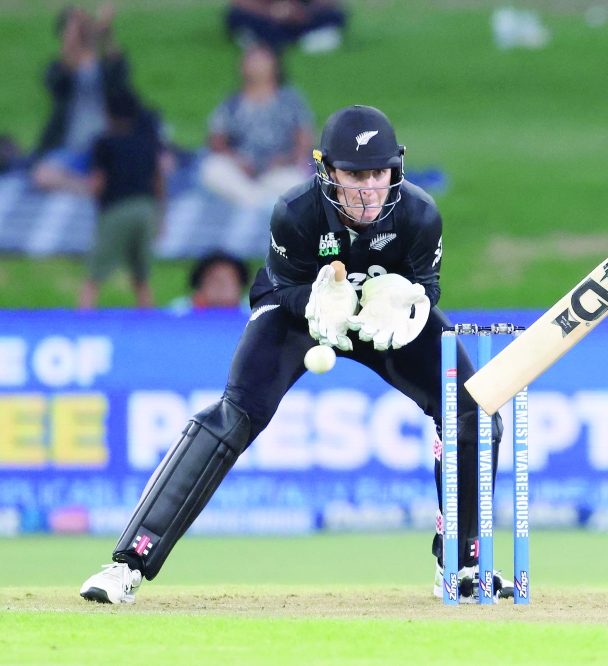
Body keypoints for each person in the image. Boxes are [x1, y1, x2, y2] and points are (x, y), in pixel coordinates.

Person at [79, 105, 511, 604]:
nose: (369, 188)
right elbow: (281, 287)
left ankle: (461, 567)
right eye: (354, 174)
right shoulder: (296, 211)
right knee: (233, 415)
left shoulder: (420, 214)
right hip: (299, 314)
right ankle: (127, 564)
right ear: (327, 169)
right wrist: (314, 301)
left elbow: (427, 287)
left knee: (472, 412)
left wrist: (408, 302)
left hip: (383, 321)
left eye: (379, 172)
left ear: (397, 167)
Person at [32, 4, 133, 196]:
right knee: (43, 175)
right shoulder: (59, 69)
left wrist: (105, 32)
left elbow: (119, 76)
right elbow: (59, 84)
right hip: (72, 146)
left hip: (105, 145)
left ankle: (95, 186)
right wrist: (70, 44)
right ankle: (90, 189)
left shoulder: (104, 66)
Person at [199, 44, 314, 208]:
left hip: (279, 168)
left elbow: (304, 136)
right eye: (250, 60)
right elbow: (216, 139)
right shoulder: (232, 102)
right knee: (212, 169)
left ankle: (251, 200)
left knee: (295, 180)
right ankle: (254, 200)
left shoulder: (290, 100)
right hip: (242, 169)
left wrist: (287, 159)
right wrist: (236, 160)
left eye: (261, 60)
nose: (255, 65)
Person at [79, 91, 163, 309]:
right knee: (142, 276)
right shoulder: (147, 141)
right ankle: (149, 321)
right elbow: (158, 181)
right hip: (146, 209)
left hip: (116, 209)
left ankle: (82, 318)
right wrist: (161, 216)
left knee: (95, 275)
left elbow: (98, 182)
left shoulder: (105, 142)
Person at [226, 0, 347, 54]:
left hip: (304, 16)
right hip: (266, 16)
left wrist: (302, 11)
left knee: (335, 14)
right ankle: (257, 41)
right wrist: (273, 11)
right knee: (237, 15)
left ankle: (314, 39)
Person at [167, 251, 251, 313]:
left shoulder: (252, 312)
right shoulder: (180, 310)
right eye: (215, 280)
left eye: (228, 281)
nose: (221, 287)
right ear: (200, 285)